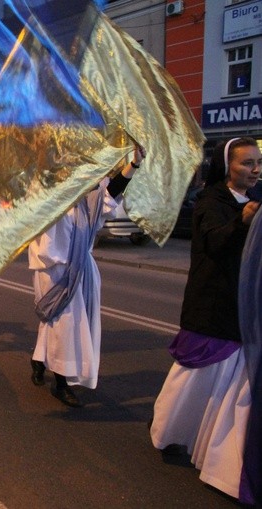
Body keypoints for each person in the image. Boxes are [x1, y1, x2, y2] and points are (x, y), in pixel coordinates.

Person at [150, 137, 261, 503]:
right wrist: (243, 222)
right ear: (226, 165)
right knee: (193, 383)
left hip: (244, 309)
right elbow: (215, 244)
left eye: (258, 162)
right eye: (247, 163)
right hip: (211, 309)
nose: (255, 169)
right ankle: (167, 431)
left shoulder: (258, 202)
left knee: (234, 390)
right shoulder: (211, 202)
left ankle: (219, 456)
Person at [29, 146, 144, 407]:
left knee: (61, 324)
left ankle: (39, 360)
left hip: (81, 266)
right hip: (53, 269)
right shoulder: (46, 191)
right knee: (64, 324)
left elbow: (108, 195)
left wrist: (133, 165)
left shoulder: (87, 196)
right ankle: (60, 383)